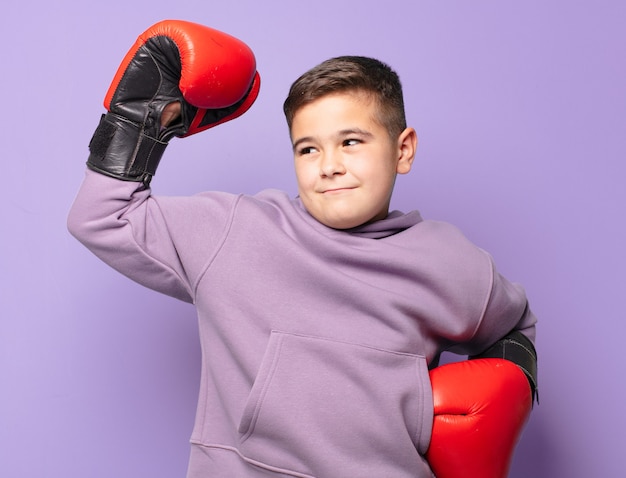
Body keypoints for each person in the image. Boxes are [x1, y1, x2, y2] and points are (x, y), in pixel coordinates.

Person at [68, 20, 537, 478]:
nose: (328, 166)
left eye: (351, 142)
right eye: (307, 149)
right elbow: (102, 217)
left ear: (403, 150)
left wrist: (499, 404)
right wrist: (142, 120)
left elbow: (514, 326)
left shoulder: (450, 262)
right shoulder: (234, 231)